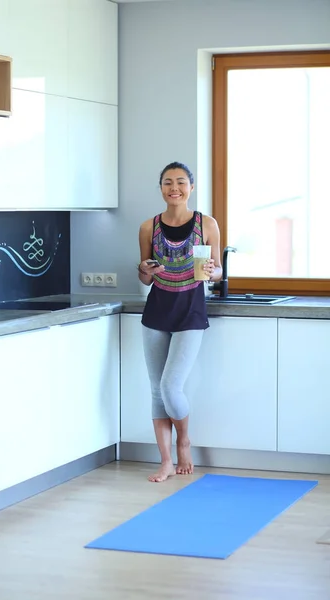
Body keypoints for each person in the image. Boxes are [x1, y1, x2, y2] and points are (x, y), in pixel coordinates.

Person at [138, 161, 222, 483]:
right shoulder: (149, 227)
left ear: (191, 187)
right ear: (161, 187)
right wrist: (146, 270)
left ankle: (184, 440)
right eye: (168, 182)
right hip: (157, 311)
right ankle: (165, 461)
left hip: (190, 311)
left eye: (181, 182)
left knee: (170, 386)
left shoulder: (207, 224)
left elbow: (217, 273)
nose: (175, 188)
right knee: (156, 391)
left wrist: (212, 271)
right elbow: (145, 277)